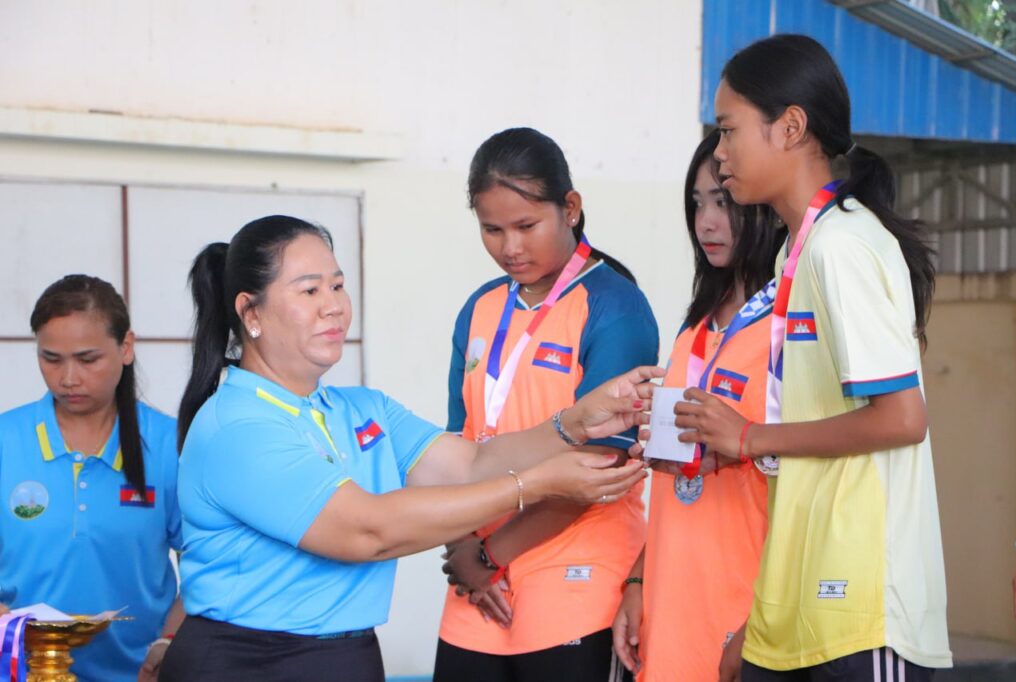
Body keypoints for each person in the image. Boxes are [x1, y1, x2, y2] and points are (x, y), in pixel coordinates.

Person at [159, 215, 660, 682]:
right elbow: (368, 531)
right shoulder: (237, 425)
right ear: (251, 312)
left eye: (337, 285)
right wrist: (535, 485)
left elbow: (472, 463)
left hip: (347, 655)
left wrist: (574, 423)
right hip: (248, 662)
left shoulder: (362, 409)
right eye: (310, 290)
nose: (333, 305)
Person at [671, 34, 950, 680]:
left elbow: (902, 418)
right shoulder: (797, 251)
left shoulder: (841, 246)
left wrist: (749, 436)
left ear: (791, 127)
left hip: (862, 610)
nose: (719, 151)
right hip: (800, 604)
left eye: (728, 129)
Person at [433, 127, 658, 682]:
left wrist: (488, 556)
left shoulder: (615, 306)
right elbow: (455, 446)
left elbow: (603, 465)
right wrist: (462, 545)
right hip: (476, 583)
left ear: (570, 209)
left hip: (576, 579)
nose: (509, 247)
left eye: (526, 226)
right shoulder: (480, 307)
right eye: (492, 229)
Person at [612, 130, 783, 681]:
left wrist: (761, 622)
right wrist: (638, 580)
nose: (706, 222)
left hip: (746, 614)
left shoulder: (789, 329)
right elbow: (671, 487)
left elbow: (809, 486)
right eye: (697, 203)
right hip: (669, 612)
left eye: (724, 202)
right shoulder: (694, 329)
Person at [0, 275, 183, 682]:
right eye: (51, 359)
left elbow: (208, 565)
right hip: (18, 672)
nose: (68, 378)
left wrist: (168, 642)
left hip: (138, 674)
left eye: (87, 359)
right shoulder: (6, 441)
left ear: (126, 348)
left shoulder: (168, 445)